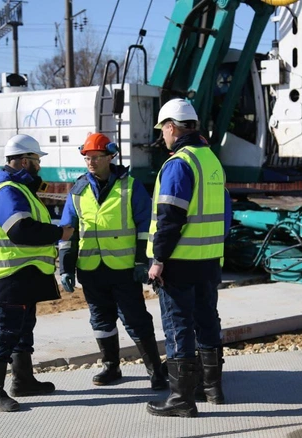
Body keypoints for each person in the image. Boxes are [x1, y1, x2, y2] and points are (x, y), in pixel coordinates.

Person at [58, 133, 167, 391]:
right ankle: (111, 366)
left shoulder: (130, 186)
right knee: (101, 320)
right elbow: (68, 232)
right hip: (91, 269)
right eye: (87, 158)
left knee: (136, 319)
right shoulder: (78, 190)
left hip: (124, 269)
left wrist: (143, 261)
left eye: (96, 157)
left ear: (111, 156)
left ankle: (155, 371)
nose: (91, 162)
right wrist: (65, 267)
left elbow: (146, 227)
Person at [145, 98, 232, 418]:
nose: (163, 138)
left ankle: (181, 398)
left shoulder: (179, 164)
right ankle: (212, 388)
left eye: (163, 131)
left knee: (178, 325)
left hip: (179, 262)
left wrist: (158, 259)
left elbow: (170, 217)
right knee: (207, 319)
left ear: (171, 127)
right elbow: (224, 214)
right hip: (208, 259)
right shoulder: (211, 160)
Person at [0, 134, 74, 412]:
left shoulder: (19, 188)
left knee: (22, 329)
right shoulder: (6, 190)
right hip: (11, 274)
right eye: (37, 160)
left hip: (24, 273)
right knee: (6, 330)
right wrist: (60, 233)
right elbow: (19, 230)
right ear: (25, 161)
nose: (39, 166)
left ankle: (23, 380)